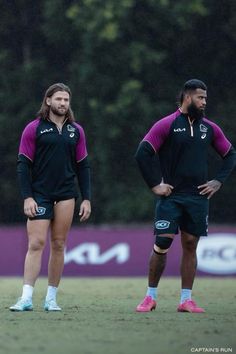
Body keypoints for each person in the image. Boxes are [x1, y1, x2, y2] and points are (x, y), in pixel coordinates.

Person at [135, 79, 236, 313]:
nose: (204, 103)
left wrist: (218, 181)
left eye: (206, 99)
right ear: (187, 97)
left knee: (190, 245)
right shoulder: (166, 125)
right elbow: (142, 154)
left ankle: (186, 300)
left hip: (198, 198)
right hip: (171, 197)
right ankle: (150, 297)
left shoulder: (209, 128)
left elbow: (230, 155)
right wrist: (154, 185)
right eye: (200, 98)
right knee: (163, 243)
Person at [10, 83, 91, 311]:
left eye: (66, 100)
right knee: (36, 243)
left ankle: (51, 299)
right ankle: (26, 298)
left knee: (58, 244)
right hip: (40, 195)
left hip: (66, 195)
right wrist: (27, 197)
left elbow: (83, 166)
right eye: (58, 99)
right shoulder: (33, 128)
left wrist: (86, 198)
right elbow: (23, 165)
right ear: (48, 101)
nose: (63, 103)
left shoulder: (76, 131)